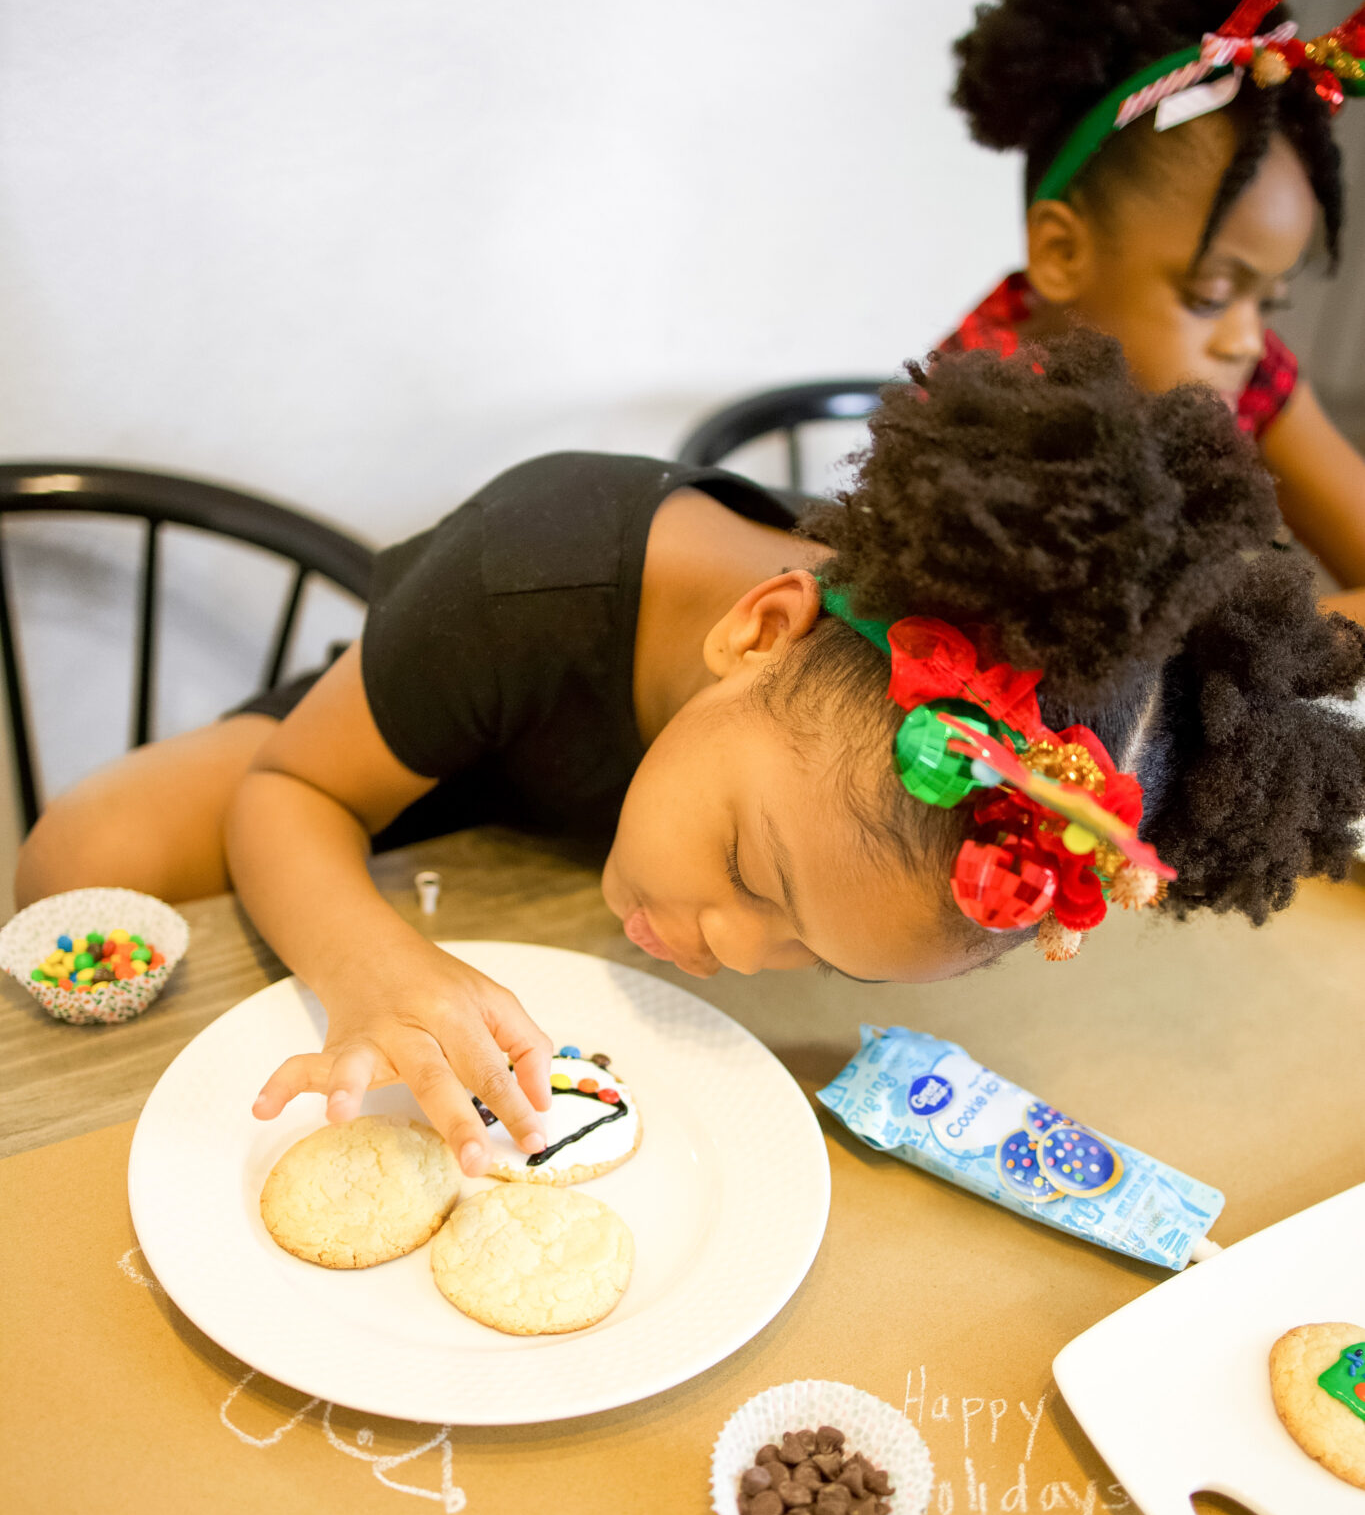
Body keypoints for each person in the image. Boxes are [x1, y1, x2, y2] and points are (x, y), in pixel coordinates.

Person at [16, 336, 1365, 1174]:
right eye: (751, 873)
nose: (728, 948)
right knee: (88, 854)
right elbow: (294, 789)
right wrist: (373, 966)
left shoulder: (822, 774)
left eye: (814, 949)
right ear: (759, 629)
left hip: (563, 844)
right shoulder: (530, 566)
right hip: (390, 762)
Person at [944, 0, 1365, 605]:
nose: (1247, 339)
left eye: (1268, 301)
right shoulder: (975, 421)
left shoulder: (1248, 376)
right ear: (1061, 253)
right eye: (1209, 295)